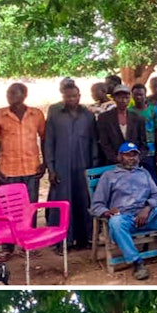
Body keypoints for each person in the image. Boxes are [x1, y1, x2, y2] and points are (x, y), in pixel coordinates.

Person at [90, 140, 157, 278]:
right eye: (127, 155)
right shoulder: (109, 176)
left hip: (146, 216)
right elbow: (96, 205)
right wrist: (106, 212)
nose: (131, 158)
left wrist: (147, 208)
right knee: (115, 222)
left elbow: (156, 196)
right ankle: (137, 263)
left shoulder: (143, 173)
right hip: (125, 218)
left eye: (134, 155)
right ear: (119, 157)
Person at [43, 82, 97, 249]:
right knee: (62, 202)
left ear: (79, 96)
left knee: (83, 201)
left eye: (74, 96)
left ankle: (83, 239)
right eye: (68, 96)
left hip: (84, 165)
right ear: (63, 97)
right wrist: (51, 169)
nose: (71, 99)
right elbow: (49, 143)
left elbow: (94, 142)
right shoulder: (55, 116)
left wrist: (93, 167)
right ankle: (61, 242)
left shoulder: (88, 115)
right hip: (62, 166)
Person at [0, 83, 47, 218]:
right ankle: (9, 238)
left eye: (14, 93)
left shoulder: (36, 114)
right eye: (9, 93)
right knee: (9, 210)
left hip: (32, 169)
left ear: (24, 95)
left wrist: (45, 163)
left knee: (30, 208)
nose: (10, 96)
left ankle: (28, 237)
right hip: (8, 171)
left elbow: (44, 139)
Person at [95, 82, 147, 165]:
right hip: (112, 163)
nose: (123, 100)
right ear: (114, 98)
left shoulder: (138, 118)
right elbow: (104, 142)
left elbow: (143, 143)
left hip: (133, 163)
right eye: (120, 97)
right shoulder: (104, 118)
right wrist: (116, 158)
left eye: (126, 97)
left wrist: (136, 157)